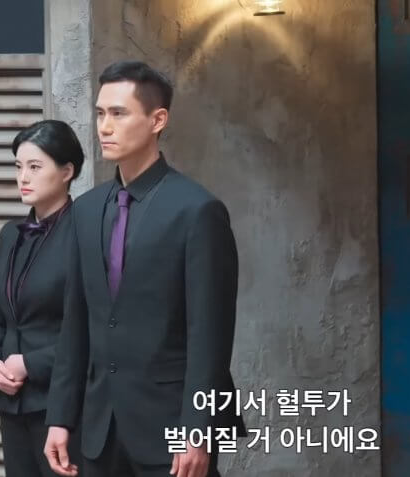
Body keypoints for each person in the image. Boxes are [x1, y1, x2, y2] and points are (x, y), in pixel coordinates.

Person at [43, 60, 245, 477]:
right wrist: (60, 417)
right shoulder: (85, 210)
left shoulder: (197, 211)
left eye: (119, 113)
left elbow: (209, 335)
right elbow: (75, 323)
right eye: (101, 113)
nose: (104, 127)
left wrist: (198, 431)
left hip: (172, 429)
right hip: (100, 429)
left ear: (158, 120)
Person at [0, 119, 86, 476]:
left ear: (67, 172)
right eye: (18, 166)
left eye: (35, 167)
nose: (23, 177)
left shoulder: (85, 233)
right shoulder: (11, 234)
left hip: (62, 406)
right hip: (12, 404)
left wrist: (30, 363)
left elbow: (89, 328)